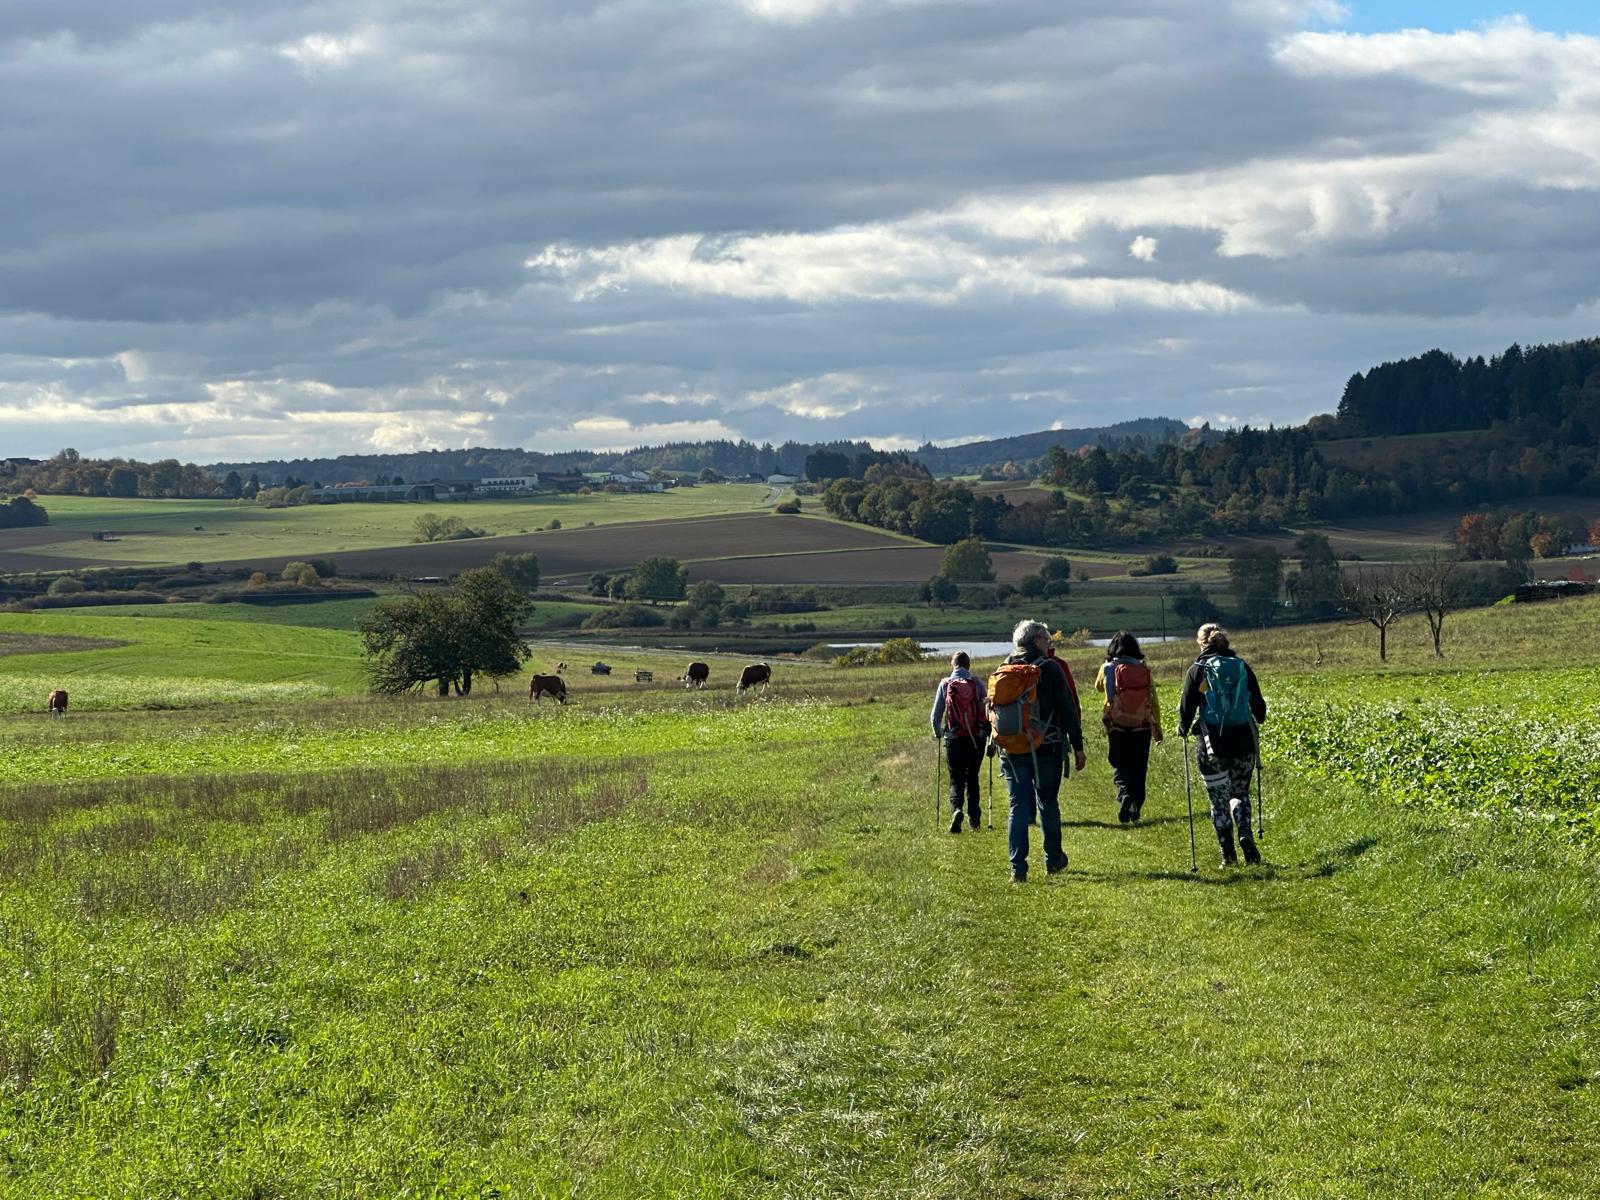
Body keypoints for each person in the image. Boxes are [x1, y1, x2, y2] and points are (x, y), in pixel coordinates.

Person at [989, 619, 1086, 883]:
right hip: (1047, 745)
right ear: (1034, 641)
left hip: (1011, 749)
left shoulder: (1003, 669)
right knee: (1048, 803)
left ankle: (1017, 869)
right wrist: (1078, 746)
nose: (1049, 644)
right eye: (1046, 640)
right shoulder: (1050, 669)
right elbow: (1067, 709)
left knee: (1017, 807)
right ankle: (1053, 860)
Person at [1176, 623, 1267, 867]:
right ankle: (1245, 830)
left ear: (1200, 642)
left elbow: (1186, 708)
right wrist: (1255, 717)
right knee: (1240, 793)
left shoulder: (1198, 669)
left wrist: (1183, 729)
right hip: (1243, 742)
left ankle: (1228, 856)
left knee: (1218, 800)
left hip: (1211, 744)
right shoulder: (1241, 666)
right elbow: (1260, 708)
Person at [1094, 631, 1163, 824]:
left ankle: (1124, 794)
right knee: (1139, 767)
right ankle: (1136, 806)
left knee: (1119, 763)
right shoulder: (1143, 669)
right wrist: (1157, 726)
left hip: (1116, 725)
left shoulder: (1108, 667)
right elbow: (1153, 699)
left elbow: (1098, 688)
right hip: (1142, 725)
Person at [930, 651, 990, 833]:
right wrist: (987, 734)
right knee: (972, 777)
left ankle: (956, 810)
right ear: (968, 665)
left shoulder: (945, 684)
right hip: (976, 739)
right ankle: (975, 820)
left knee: (956, 778)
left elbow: (935, 715)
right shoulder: (977, 684)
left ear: (953, 664)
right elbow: (986, 710)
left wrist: (939, 732)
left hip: (954, 739)